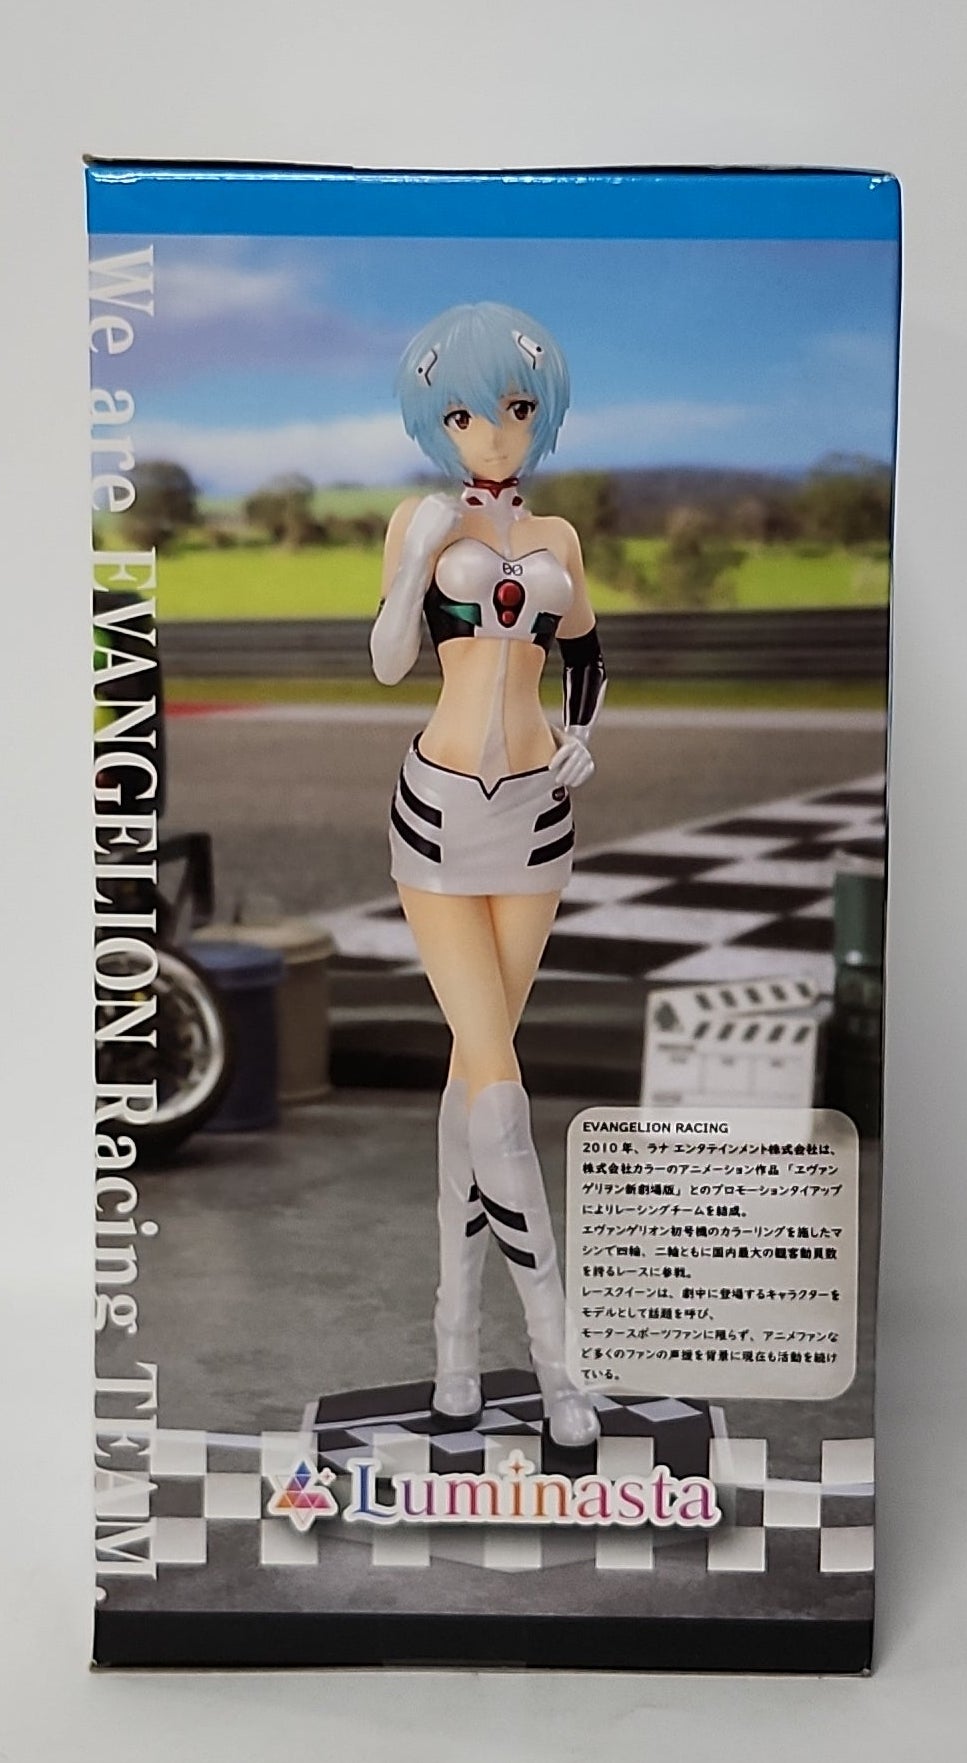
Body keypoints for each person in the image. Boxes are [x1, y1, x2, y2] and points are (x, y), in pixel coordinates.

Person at [371, 302, 608, 1449]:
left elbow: (588, 655)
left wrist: (584, 734)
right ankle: (560, 1370)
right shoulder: (419, 521)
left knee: (480, 1074)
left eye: (516, 409)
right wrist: (416, 563)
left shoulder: (559, 537)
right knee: (502, 1097)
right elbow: (387, 662)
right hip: (439, 816)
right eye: (468, 415)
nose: (497, 435)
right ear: (438, 421)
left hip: (537, 822)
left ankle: (456, 1344)